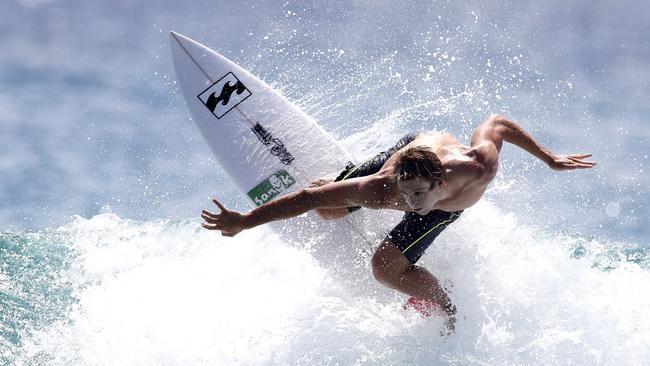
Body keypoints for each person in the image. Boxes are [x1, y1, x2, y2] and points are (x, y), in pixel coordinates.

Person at [200, 114, 597, 333]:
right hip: (403, 157)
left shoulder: (479, 166)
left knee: (383, 269)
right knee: (326, 207)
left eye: (416, 197)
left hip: (444, 201)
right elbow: (306, 200)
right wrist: (247, 219)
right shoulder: (384, 191)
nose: (408, 205)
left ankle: (445, 303)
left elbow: (498, 124)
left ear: (440, 183)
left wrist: (549, 158)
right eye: (405, 197)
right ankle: (341, 186)